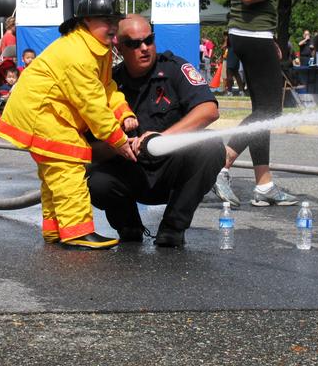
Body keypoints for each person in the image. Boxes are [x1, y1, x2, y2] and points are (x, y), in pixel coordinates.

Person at [0, 0, 137, 250]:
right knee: (69, 166)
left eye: (115, 20)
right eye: (105, 19)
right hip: (42, 114)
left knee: (55, 175)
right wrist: (118, 141)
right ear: (85, 21)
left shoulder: (96, 48)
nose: (113, 26)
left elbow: (106, 88)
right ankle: (77, 232)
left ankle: (56, 229)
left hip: (48, 113)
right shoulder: (78, 54)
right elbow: (92, 105)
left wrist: (123, 112)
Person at [88, 14, 227, 247]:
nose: (144, 48)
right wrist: (120, 145)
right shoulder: (108, 85)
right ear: (119, 48)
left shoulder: (174, 69)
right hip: (130, 171)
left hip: (171, 168)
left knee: (212, 146)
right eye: (134, 44)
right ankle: (128, 226)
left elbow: (209, 110)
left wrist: (162, 138)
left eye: (149, 40)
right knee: (97, 182)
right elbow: (90, 151)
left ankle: (173, 228)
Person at [218, 0, 301, 207]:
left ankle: (264, 185)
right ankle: (221, 167)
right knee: (269, 111)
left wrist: (272, 40)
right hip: (251, 33)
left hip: (253, 34)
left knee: (262, 112)